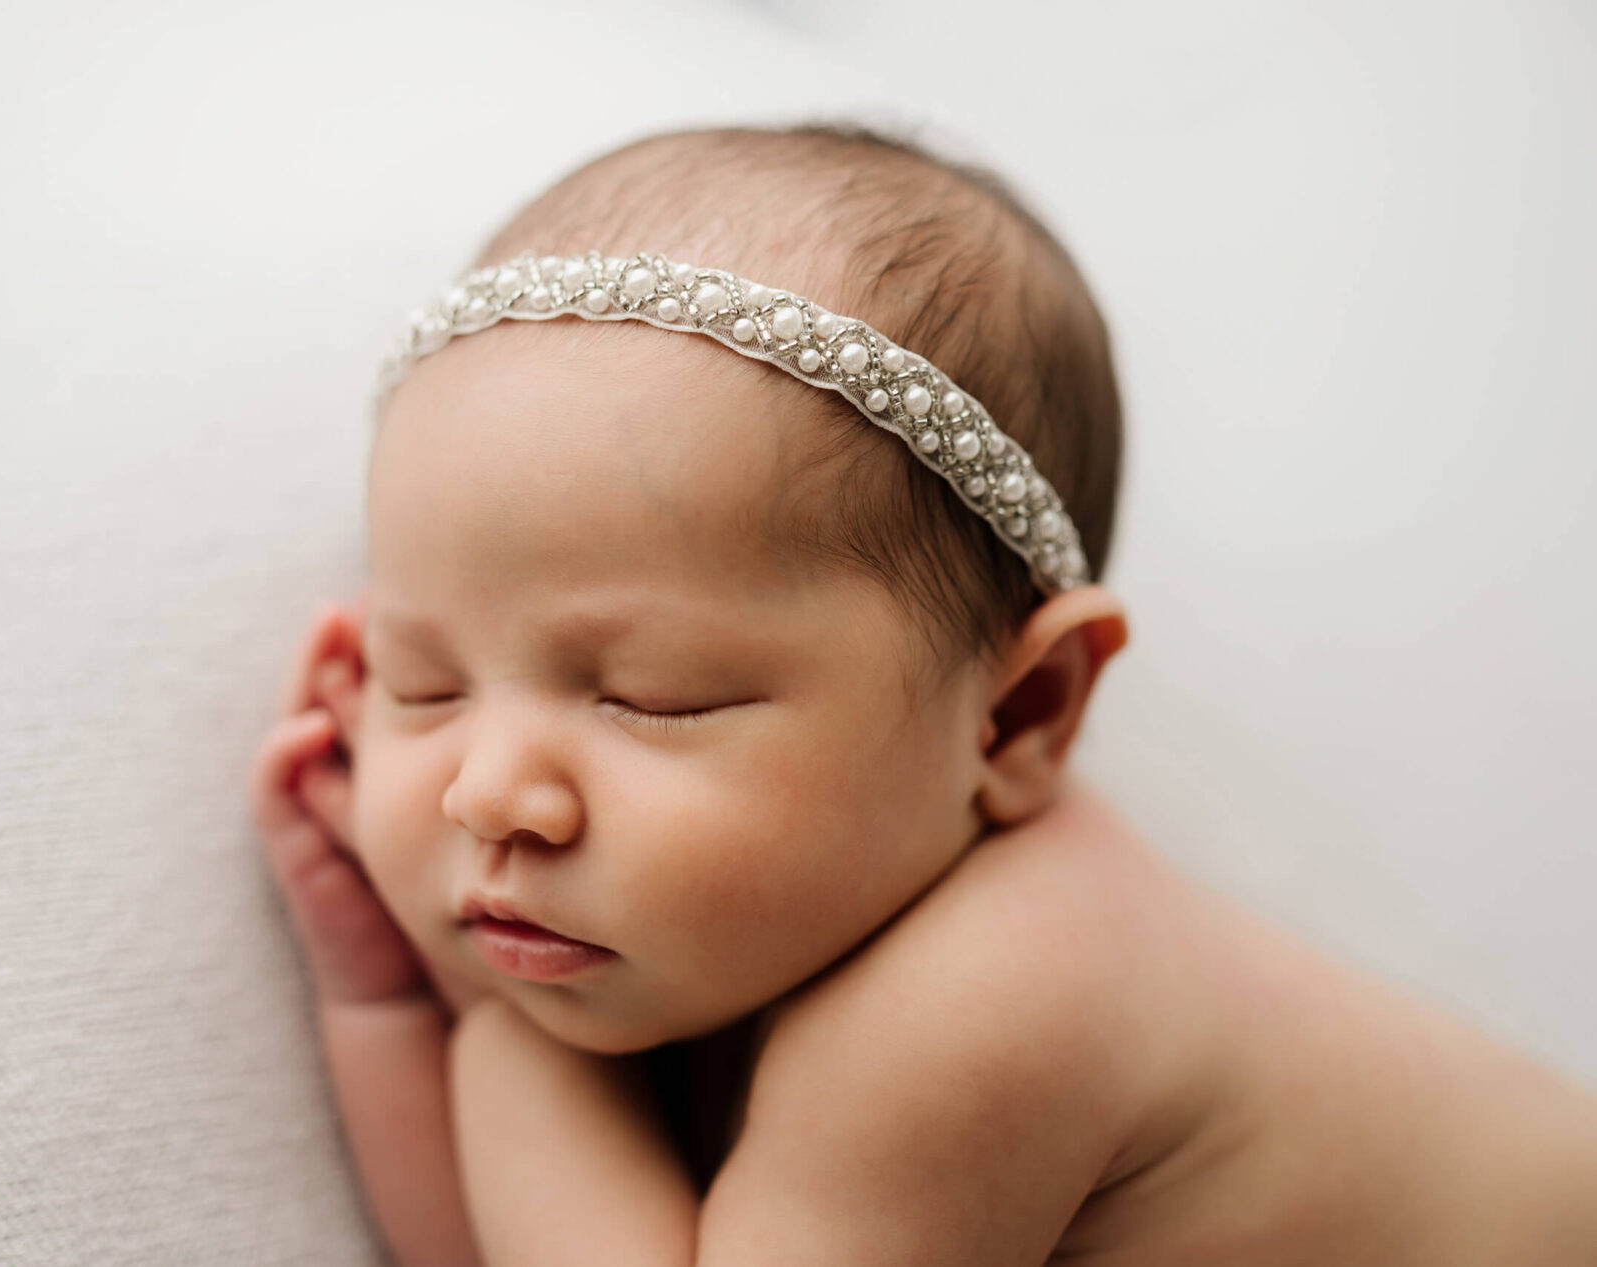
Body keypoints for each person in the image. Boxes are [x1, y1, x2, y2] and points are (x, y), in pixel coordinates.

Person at [249, 122, 1597, 1265]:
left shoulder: (983, 1011)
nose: (489, 792)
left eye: (651, 696)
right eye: (422, 685)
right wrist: (388, 1006)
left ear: (1017, 716)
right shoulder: (755, 932)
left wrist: (500, 1041)